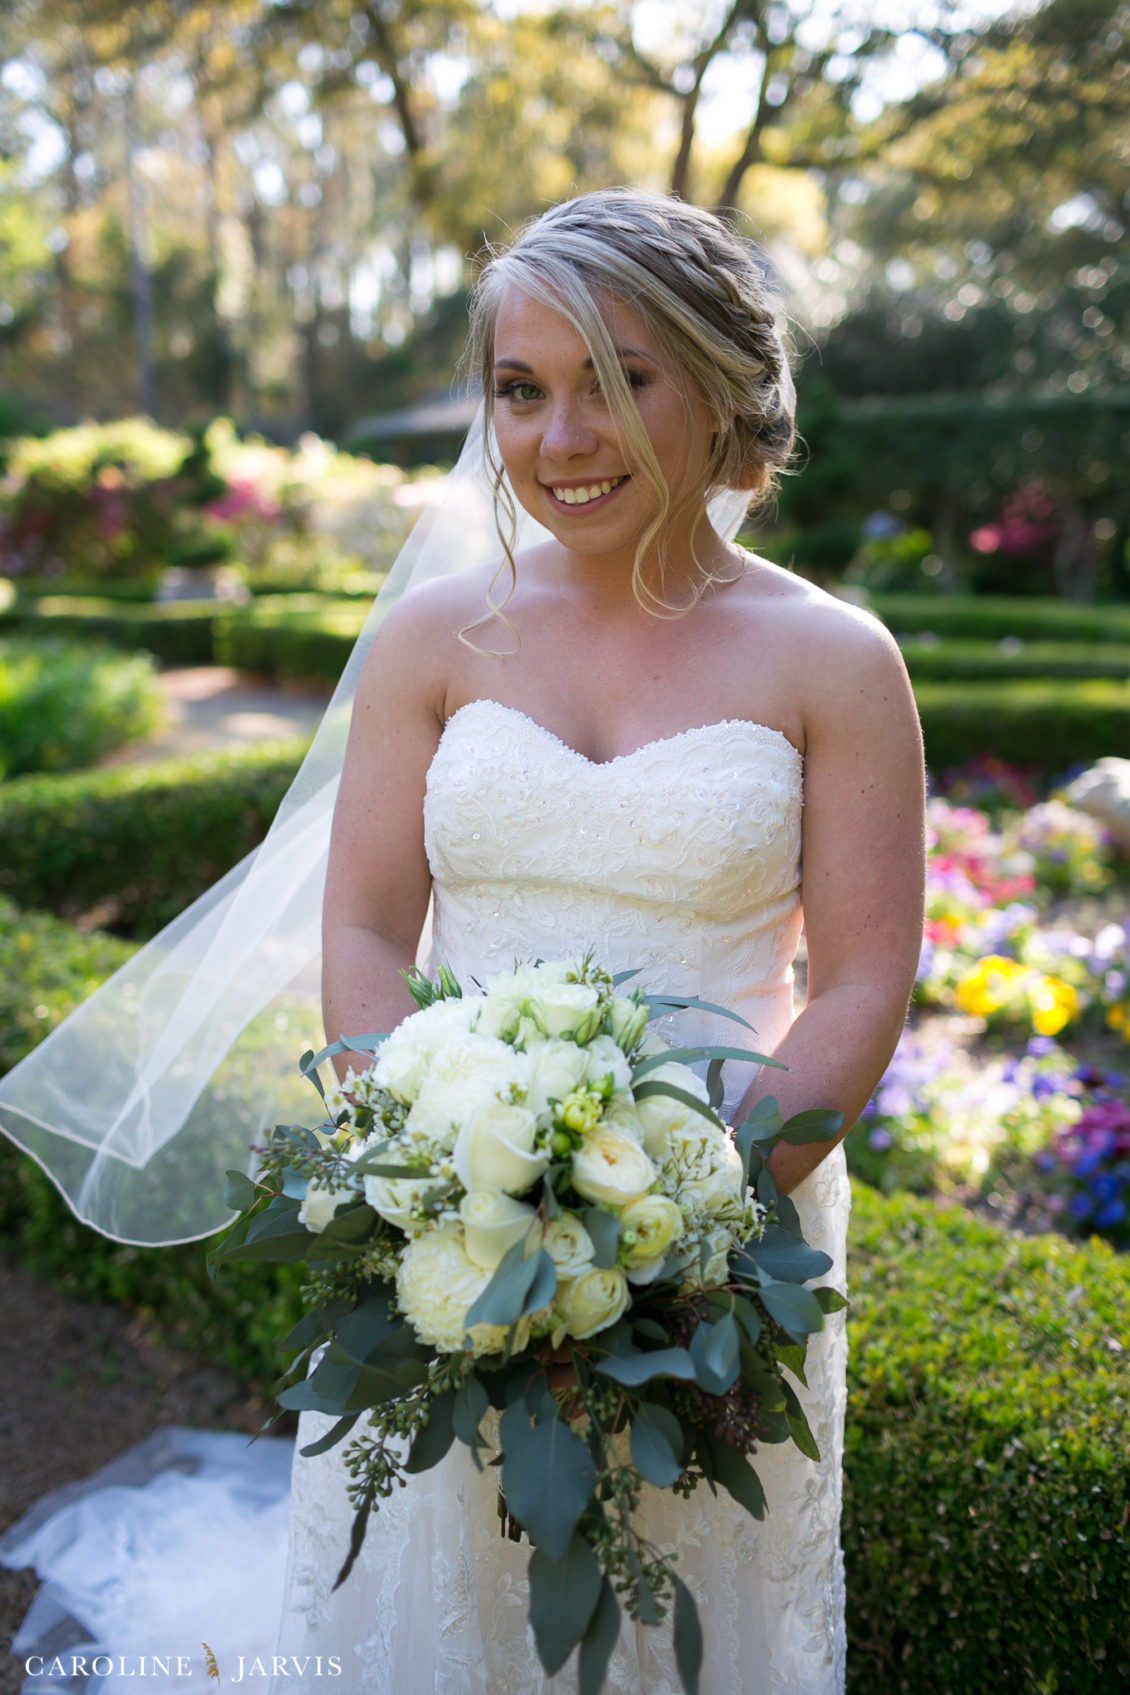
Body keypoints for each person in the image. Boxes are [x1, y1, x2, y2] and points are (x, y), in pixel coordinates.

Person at [270, 189, 925, 1693]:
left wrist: (682, 1235)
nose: (563, 437)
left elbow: (864, 979)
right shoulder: (434, 639)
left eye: (621, 378)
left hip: (737, 1201)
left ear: (718, 387)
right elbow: (368, 925)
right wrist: (419, 1174)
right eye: (523, 389)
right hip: (447, 1214)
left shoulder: (835, 658)